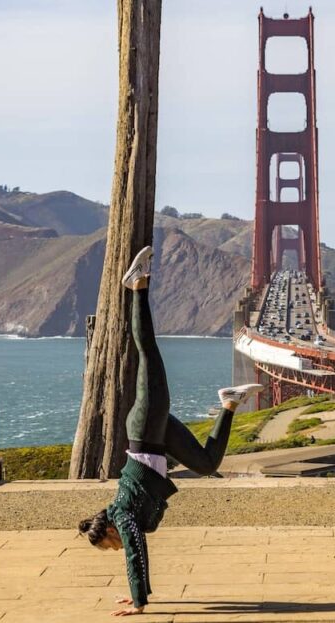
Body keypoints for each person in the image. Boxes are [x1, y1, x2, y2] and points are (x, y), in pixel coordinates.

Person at [77, 246, 262, 617]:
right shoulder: (121, 514)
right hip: (157, 443)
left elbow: (134, 553)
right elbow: (134, 553)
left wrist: (140, 605)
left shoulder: (124, 516)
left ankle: (137, 285)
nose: (115, 549)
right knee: (207, 464)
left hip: (145, 429)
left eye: (109, 546)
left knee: (149, 354)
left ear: (109, 532)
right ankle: (229, 402)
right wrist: (136, 593)